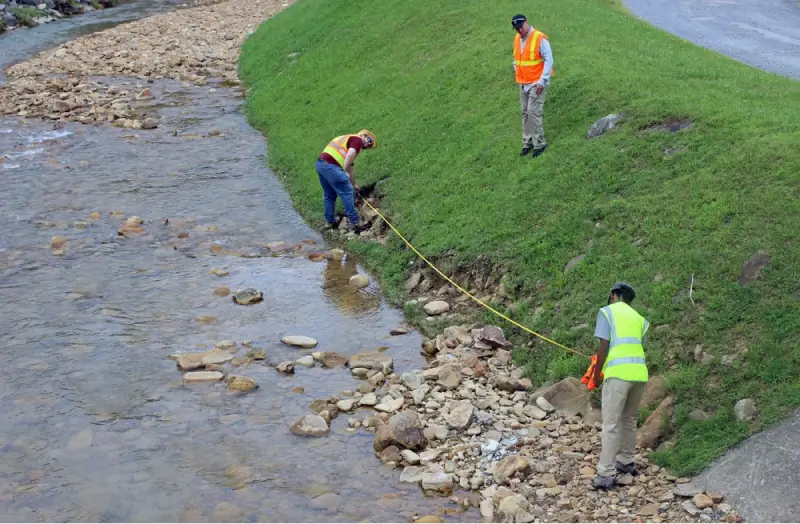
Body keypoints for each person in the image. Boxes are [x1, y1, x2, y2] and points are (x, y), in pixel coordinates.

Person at [591, 281, 650, 490]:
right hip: (639, 374)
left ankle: (606, 473)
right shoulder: (639, 319)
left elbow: (603, 347)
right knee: (630, 420)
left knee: (611, 424)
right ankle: (626, 462)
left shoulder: (607, 312)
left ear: (613, 295)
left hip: (618, 375)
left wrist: (596, 376)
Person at [315, 129, 377, 233]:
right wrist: (345, 171)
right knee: (347, 191)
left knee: (329, 195)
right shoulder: (357, 140)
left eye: (369, 146)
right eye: (369, 140)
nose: (367, 144)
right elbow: (349, 158)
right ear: (364, 135)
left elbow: (351, 166)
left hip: (321, 165)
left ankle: (329, 221)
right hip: (331, 166)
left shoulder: (348, 140)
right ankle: (355, 221)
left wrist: (354, 184)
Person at [511, 14, 554, 158]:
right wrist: (516, 67)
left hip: (537, 83)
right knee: (525, 112)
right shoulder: (517, 38)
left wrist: (543, 80)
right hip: (523, 82)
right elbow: (518, 57)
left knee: (533, 112)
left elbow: (549, 60)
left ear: (526, 23)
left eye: (520, 27)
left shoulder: (539, 38)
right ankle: (527, 143)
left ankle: (540, 144)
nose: (519, 31)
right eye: (516, 29)